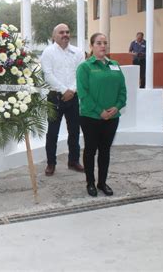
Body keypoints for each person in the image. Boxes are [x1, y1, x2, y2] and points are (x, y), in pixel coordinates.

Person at [77, 32, 127, 197]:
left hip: (112, 117)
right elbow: (83, 94)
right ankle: (90, 183)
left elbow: (122, 90)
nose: (103, 46)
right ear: (91, 46)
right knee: (90, 150)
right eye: (99, 43)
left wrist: (117, 107)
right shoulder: (85, 67)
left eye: (105, 43)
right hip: (90, 117)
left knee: (105, 151)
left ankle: (102, 183)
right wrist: (100, 111)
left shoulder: (114, 65)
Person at [41, 23, 85, 176]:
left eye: (67, 32)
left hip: (73, 97)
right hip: (55, 97)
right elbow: (48, 74)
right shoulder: (48, 52)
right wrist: (63, 90)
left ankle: (73, 161)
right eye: (61, 32)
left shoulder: (78, 52)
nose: (65, 34)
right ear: (54, 36)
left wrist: (71, 90)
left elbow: (80, 74)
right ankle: (51, 163)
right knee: (52, 133)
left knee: (74, 131)